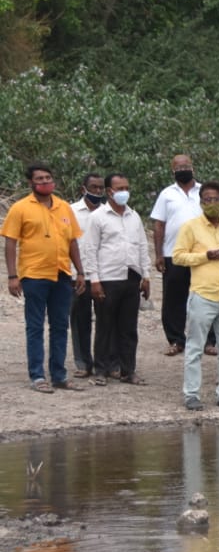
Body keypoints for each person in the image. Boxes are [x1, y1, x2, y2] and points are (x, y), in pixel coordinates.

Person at [3, 164, 87, 393]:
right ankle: (37, 376)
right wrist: (12, 276)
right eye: (40, 178)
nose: (45, 181)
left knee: (60, 325)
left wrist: (79, 271)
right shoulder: (20, 208)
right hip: (34, 274)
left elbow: (72, 241)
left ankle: (59, 375)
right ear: (31, 183)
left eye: (48, 177)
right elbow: (10, 242)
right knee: (35, 326)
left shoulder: (64, 207)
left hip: (61, 274)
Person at [173, 181, 219, 410]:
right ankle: (191, 395)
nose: (212, 203)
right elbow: (178, 256)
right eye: (207, 199)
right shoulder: (191, 227)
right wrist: (205, 256)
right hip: (203, 294)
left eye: (216, 199)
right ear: (201, 202)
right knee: (195, 346)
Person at [81, 174, 150, 387]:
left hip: (131, 277)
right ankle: (101, 370)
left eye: (126, 187)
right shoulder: (98, 217)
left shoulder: (133, 216)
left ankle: (128, 370)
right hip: (107, 278)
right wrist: (94, 280)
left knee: (129, 328)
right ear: (109, 191)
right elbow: (90, 249)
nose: (124, 192)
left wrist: (146, 275)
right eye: (119, 188)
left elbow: (142, 246)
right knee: (105, 325)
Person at [151, 154, 213, 356]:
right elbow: (159, 225)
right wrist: (159, 254)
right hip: (173, 254)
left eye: (186, 166)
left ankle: (208, 341)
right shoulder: (166, 194)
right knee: (173, 299)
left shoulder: (204, 192)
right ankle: (176, 340)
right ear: (172, 169)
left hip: (203, 254)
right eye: (178, 167)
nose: (182, 169)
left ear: (193, 167)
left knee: (206, 297)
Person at [69, 173, 105, 378]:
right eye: (93, 187)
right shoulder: (70, 211)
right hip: (77, 275)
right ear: (83, 188)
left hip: (103, 275)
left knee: (106, 320)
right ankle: (83, 363)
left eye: (101, 188)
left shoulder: (108, 212)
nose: (97, 191)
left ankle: (106, 362)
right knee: (80, 319)